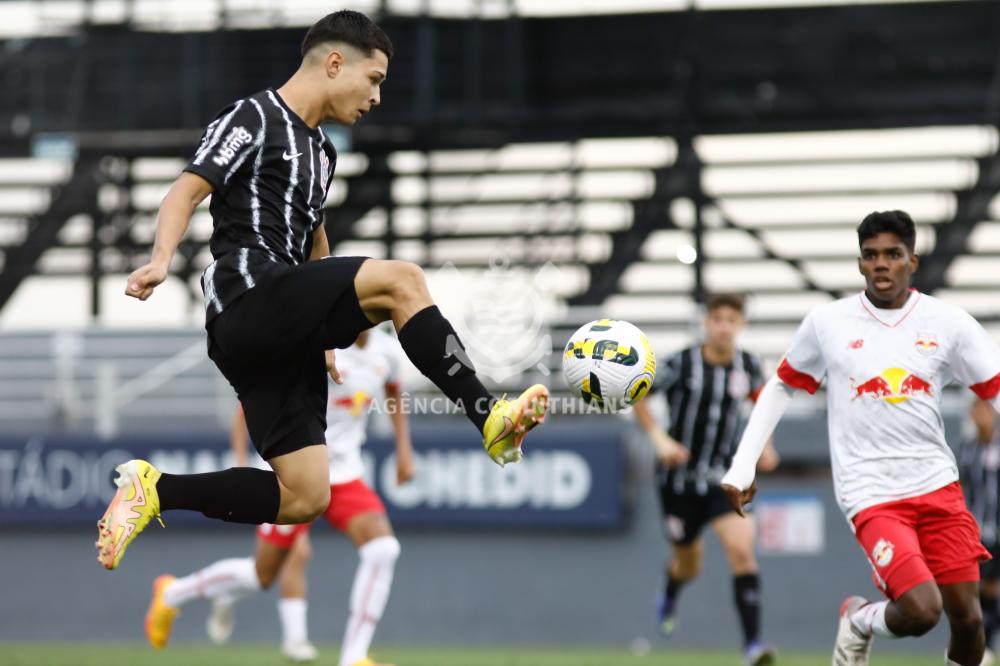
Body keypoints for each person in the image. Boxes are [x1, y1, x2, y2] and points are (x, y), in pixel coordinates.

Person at [95, 9, 548, 571]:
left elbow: (315, 240)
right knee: (403, 279)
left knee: (306, 495)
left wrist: (329, 334)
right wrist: (161, 258)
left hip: (282, 326)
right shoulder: (254, 116)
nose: (377, 97)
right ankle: (489, 417)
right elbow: (185, 191)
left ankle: (155, 490)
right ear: (335, 63)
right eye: (375, 79)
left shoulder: (323, 153)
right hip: (250, 295)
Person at [719, 210, 1000, 666]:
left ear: (913, 260)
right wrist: (743, 463)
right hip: (871, 493)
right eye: (871, 256)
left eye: (892, 254)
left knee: (968, 622)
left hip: (937, 487)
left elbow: (995, 388)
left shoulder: (948, 323)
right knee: (922, 611)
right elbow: (783, 384)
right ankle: (859, 620)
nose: (881, 264)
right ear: (860, 264)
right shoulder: (829, 323)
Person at [144, 329, 411, 666]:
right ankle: (172, 593)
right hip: (294, 475)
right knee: (262, 575)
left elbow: (393, 392)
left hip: (344, 473)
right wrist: (240, 464)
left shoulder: (386, 352)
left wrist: (404, 449)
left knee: (383, 548)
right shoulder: (314, 343)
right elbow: (248, 405)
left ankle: (353, 658)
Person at [632, 293, 779, 666]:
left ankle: (752, 647)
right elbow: (638, 395)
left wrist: (766, 446)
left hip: (723, 480)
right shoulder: (681, 363)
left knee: (743, 551)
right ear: (706, 323)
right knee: (689, 564)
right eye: (718, 319)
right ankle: (670, 589)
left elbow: (763, 406)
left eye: (732, 319)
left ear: (740, 325)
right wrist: (659, 438)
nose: (724, 327)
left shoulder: (748, 366)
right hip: (678, 483)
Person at [960, 399, 1000, 666]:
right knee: (981, 593)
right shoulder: (968, 450)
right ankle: (985, 649)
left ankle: (988, 647)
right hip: (978, 536)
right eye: (976, 410)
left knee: (993, 591)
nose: (980, 416)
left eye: (985, 410)